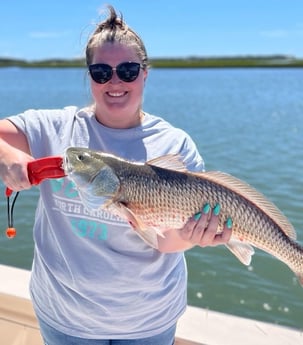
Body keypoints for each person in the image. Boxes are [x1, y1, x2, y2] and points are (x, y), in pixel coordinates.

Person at [0, 5, 232, 345]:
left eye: (127, 70)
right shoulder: (55, 127)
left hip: (149, 320)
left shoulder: (174, 143)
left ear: (145, 73)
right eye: (101, 72)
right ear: (89, 74)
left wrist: (194, 235)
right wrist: (8, 156)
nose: (115, 82)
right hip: (65, 318)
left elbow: (167, 243)